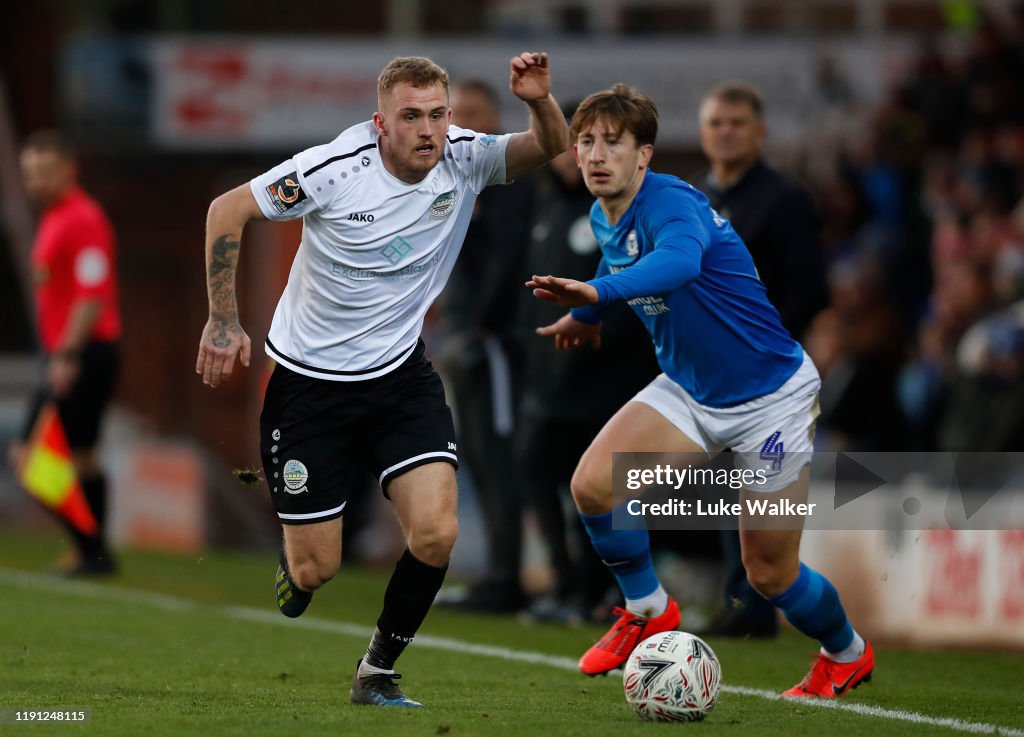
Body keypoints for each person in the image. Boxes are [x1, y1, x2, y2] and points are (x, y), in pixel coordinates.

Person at [195, 53, 567, 708]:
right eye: (411, 117)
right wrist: (224, 321)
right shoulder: (334, 171)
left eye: (437, 115)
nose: (428, 130)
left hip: (399, 378)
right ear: (380, 123)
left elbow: (550, 147)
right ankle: (299, 567)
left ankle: (377, 670)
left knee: (436, 531)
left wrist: (539, 100)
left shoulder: (465, 156)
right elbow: (227, 209)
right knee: (319, 567)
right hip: (308, 387)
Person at [526, 84, 873, 698]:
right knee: (593, 484)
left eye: (613, 142)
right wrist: (588, 315)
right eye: (585, 143)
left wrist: (597, 297)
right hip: (689, 388)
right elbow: (618, 261)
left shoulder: (673, 204)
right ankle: (649, 609)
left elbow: (680, 262)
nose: (596, 155)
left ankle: (845, 652)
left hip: (771, 400)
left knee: (770, 574)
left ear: (646, 155)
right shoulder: (604, 211)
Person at [694, 81, 829, 638]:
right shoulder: (697, 199)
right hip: (711, 369)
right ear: (703, 133)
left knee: (759, 483)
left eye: (738, 123)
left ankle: (757, 603)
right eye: (717, 123)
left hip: (768, 369)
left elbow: (811, 288)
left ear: (760, 132)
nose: (726, 132)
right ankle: (741, 598)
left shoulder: (785, 199)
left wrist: (762, 340)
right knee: (725, 484)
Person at [517, 128, 660, 622]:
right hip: (549, 383)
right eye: (570, 146)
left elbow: (627, 293)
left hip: (604, 381)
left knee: (603, 489)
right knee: (538, 475)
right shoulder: (547, 208)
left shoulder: (619, 212)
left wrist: (591, 339)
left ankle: (605, 593)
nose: (578, 157)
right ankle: (567, 585)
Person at [431, 79, 534, 612]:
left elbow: (508, 261)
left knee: (501, 461)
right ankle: (499, 572)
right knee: (478, 456)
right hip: (467, 338)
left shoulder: (508, 181)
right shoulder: (453, 178)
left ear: (496, 118)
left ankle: (508, 578)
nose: (463, 121)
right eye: (457, 113)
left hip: (496, 348)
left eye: (474, 111)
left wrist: (481, 328)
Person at [10, 130, 121, 577]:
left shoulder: (82, 217)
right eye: (28, 174)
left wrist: (67, 356)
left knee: (29, 456)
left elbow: (91, 293)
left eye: (44, 172)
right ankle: (94, 552)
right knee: (83, 455)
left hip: (82, 353)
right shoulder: (56, 217)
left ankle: (89, 546)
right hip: (79, 353)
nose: (35, 182)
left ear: (68, 169)